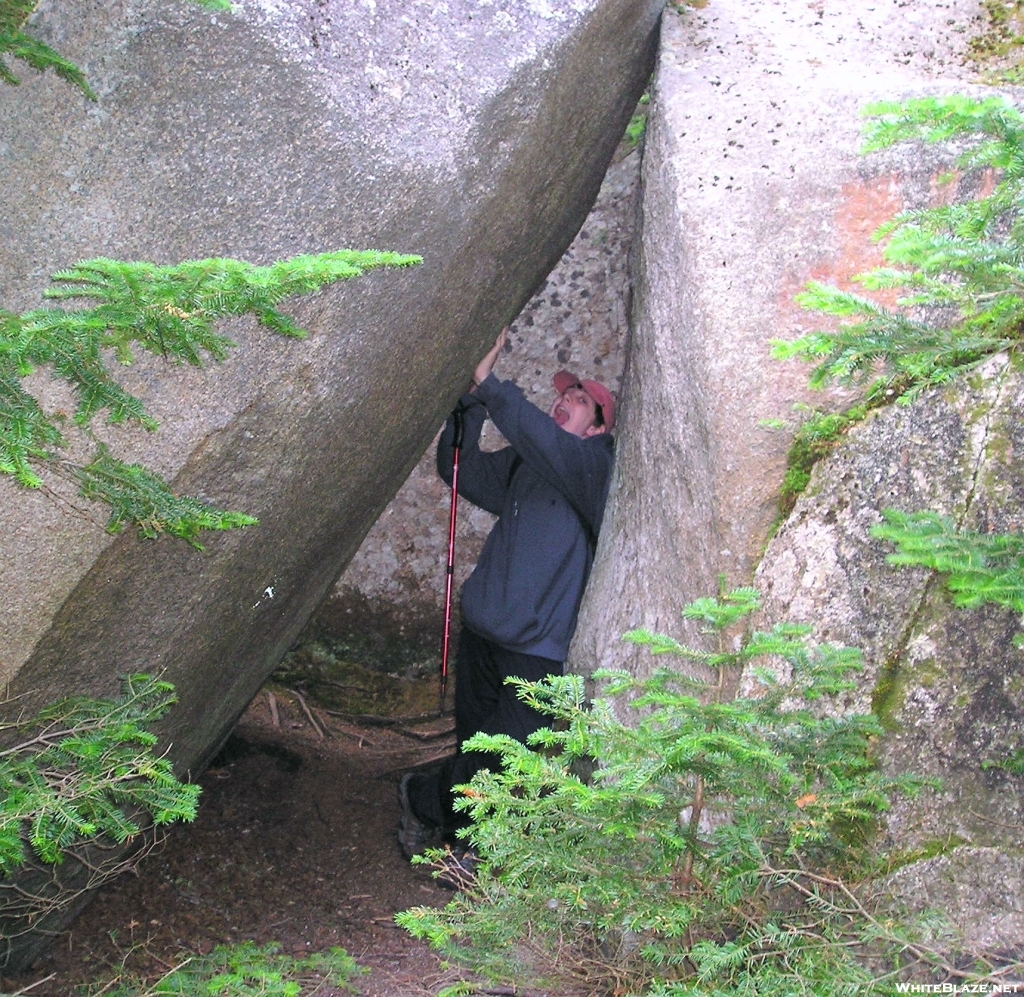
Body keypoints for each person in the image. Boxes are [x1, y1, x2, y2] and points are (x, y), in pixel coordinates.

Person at [399, 328, 616, 860]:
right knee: (476, 747)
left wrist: (492, 385)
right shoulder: (526, 464)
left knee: (503, 757)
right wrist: (469, 404)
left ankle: (421, 799)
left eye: (579, 399)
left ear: (600, 426)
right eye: (562, 394)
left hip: (537, 650)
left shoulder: (593, 468)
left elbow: (539, 436)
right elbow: (461, 470)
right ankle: (469, 845)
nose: (563, 400)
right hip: (482, 634)